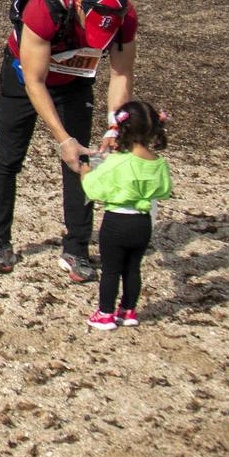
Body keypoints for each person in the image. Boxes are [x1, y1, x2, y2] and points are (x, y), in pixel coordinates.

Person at [0, 0, 138, 281]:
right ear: (80, 9)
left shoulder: (125, 16)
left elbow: (121, 75)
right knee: (9, 157)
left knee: (82, 161)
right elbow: (35, 81)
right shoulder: (45, 8)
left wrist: (113, 127)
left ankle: (76, 249)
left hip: (75, 81)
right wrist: (62, 139)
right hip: (24, 77)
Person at [81, 101, 173, 329]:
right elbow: (164, 190)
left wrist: (85, 172)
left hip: (117, 221)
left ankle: (105, 314)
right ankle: (128, 311)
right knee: (133, 269)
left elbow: (93, 189)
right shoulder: (158, 163)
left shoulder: (117, 162)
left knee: (111, 271)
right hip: (142, 222)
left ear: (122, 129)